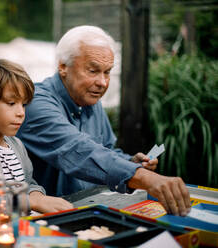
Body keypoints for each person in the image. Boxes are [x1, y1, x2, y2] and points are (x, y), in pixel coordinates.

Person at [17, 25, 191, 216]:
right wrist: (142, 176)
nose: (103, 82)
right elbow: (78, 151)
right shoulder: (36, 103)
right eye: (93, 71)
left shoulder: (89, 98)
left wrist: (130, 162)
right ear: (62, 66)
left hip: (89, 208)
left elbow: (106, 150)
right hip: (46, 220)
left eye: (107, 72)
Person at [0, 59, 73, 213]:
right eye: (11, 103)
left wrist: (37, 196)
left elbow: (28, 183)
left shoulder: (16, 145)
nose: (21, 113)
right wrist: (30, 201)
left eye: (23, 104)